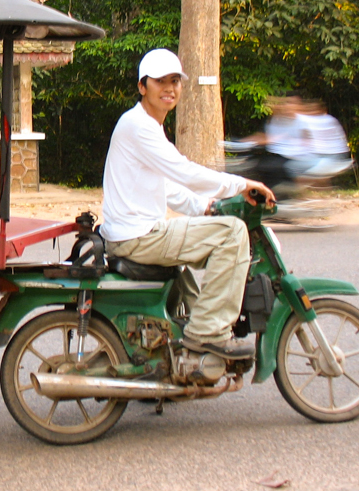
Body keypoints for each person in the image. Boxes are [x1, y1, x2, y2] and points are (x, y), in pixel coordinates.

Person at [99, 49, 275, 360]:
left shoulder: (145, 124)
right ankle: (208, 333)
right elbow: (183, 171)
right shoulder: (139, 126)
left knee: (190, 274)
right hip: (138, 236)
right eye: (160, 82)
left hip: (134, 232)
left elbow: (165, 187)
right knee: (232, 233)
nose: (169, 88)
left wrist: (205, 207)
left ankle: (190, 338)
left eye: (175, 81)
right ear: (142, 86)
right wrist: (241, 184)